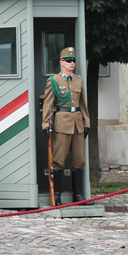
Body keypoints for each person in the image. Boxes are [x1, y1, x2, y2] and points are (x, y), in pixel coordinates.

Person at [42, 46, 91, 205]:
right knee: (59, 160)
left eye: (74, 61)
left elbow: (83, 104)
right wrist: (46, 124)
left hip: (77, 123)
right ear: (61, 62)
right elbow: (49, 104)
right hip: (62, 123)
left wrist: (86, 122)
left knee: (79, 160)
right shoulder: (54, 80)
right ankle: (57, 196)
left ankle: (78, 196)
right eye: (69, 61)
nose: (72, 63)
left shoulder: (79, 79)